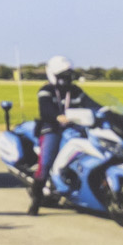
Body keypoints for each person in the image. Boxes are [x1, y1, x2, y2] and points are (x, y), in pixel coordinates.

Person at [31, 55, 93, 199]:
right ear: (53, 75)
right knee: (46, 163)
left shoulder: (75, 91)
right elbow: (45, 109)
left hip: (74, 127)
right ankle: (36, 200)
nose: (66, 79)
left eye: (68, 75)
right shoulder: (46, 90)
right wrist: (57, 116)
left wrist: (107, 112)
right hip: (52, 128)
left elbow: (91, 104)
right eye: (63, 76)